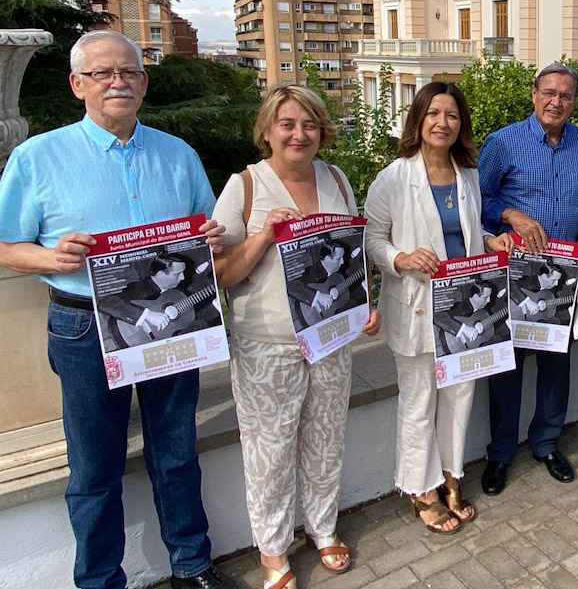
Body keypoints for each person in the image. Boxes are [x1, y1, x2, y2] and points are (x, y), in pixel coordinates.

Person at [0, 30, 233, 589]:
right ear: (78, 84)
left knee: (175, 448)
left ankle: (192, 564)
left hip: (173, 322)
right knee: (94, 466)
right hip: (84, 325)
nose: (117, 81)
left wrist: (212, 237)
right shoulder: (38, 158)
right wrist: (53, 258)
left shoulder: (177, 154)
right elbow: (6, 244)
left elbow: (205, 228)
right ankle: (101, 580)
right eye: (103, 73)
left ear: (143, 83)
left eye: (128, 72)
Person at [213, 85, 379, 589]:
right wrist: (264, 234)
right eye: (287, 124)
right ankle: (272, 549)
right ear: (267, 130)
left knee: (326, 438)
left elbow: (352, 251)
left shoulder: (336, 178)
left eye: (308, 124)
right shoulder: (244, 187)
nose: (299, 134)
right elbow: (220, 273)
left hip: (329, 336)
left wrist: (363, 301)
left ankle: (323, 529)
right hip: (268, 343)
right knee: (270, 449)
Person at [364, 82, 512, 535]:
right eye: (433, 114)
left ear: (460, 124)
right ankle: (420, 488)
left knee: (459, 396)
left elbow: (464, 233)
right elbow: (371, 240)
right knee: (418, 400)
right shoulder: (393, 177)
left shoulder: (467, 175)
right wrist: (402, 258)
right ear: (419, 120)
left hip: (463, 307)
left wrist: (489, 240)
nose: (442, 123)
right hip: (415, 305)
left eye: (450, 115)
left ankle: (451, 476)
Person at [478, 62, 578, 494]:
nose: (556, 102)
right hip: (513, 274)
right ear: (534, 95)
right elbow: (479, 197)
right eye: (549, 93)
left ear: (574, 102)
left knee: (555, 364)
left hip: (563, 277)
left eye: (566, 96)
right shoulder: (502, 142)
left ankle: (547, 443)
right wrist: (511, 215)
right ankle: (500, 454)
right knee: (507, 368)